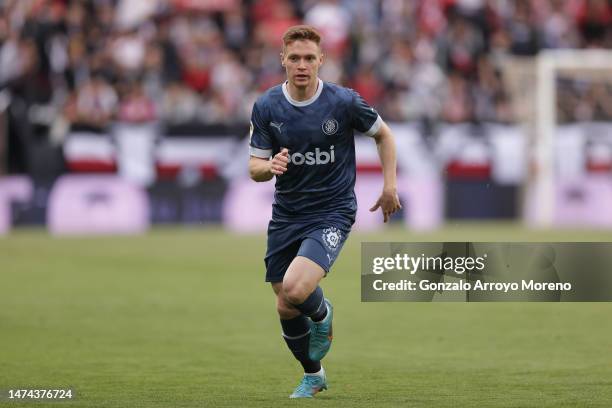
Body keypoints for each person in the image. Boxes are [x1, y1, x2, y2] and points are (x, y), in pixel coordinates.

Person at [248, 25, 401, 399]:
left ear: (322, 61)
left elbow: (384, 135)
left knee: (299, 288)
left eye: (309, 58)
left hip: (332, 210)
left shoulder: (343, 102)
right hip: (287, 214)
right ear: (282, 59)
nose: (302, 65)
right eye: (295, 58)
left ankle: (323, 313)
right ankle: (313, 375)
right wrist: (272, 167)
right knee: (285, 303)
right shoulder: (267, 106)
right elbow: (254, 167)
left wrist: (389, 185)